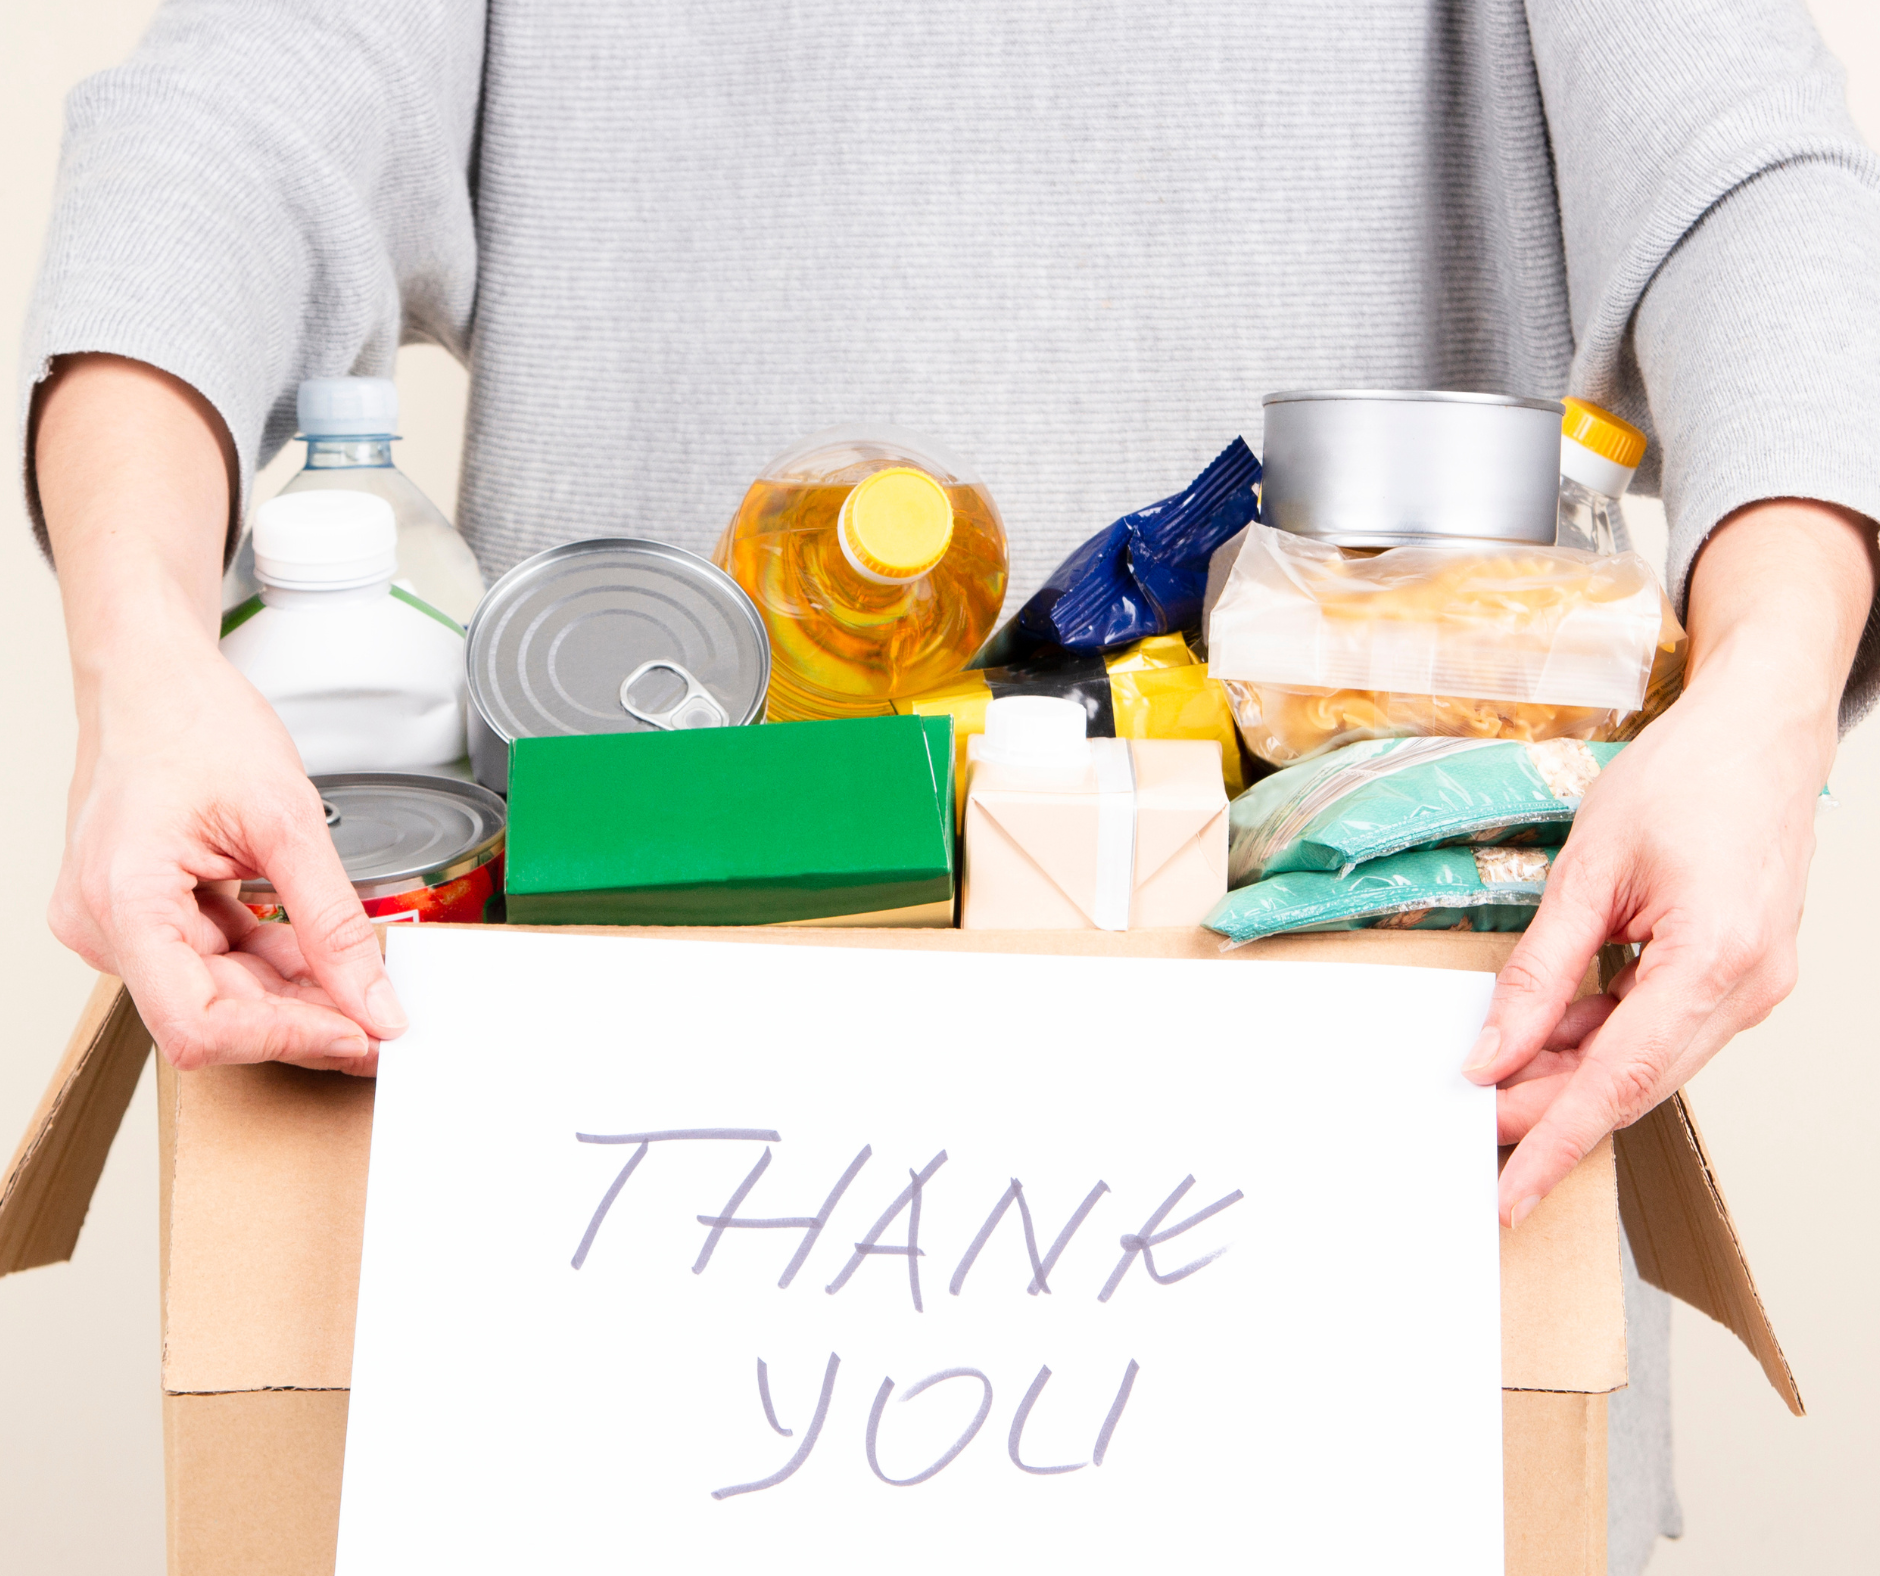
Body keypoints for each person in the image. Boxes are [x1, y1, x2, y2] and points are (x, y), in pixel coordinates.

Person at [19, 3, 1880, 1568]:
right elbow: (230, 123)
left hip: (1370, 1181)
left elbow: (1764, 184)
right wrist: (140, 645)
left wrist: (1771, 687)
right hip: (644, 1266)